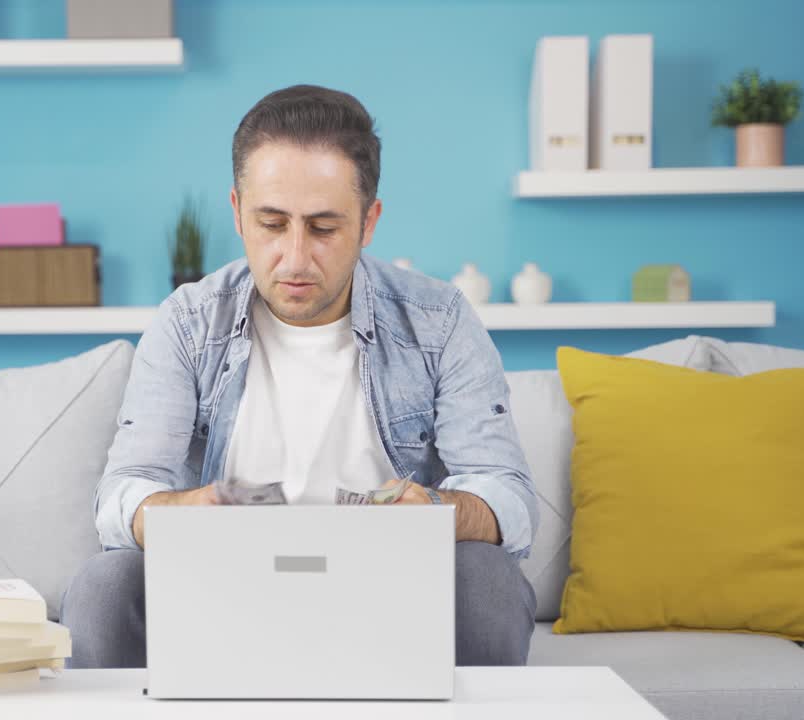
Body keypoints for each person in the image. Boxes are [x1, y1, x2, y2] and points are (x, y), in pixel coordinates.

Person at [62, 84, 538, 669]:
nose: (293, 259)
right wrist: (180, 511)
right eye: (271, 223)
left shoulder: (439, 321)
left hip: (393, 593)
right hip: (220, 589)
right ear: (237, 213)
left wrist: (441, 511)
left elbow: (509, 497)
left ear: (369, 222)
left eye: (323, 228)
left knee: (488, 577)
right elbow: (121, 493)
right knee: (103, 585)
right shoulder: (187, 322)